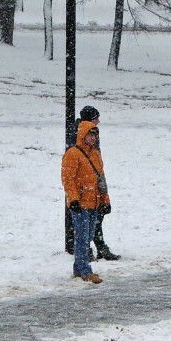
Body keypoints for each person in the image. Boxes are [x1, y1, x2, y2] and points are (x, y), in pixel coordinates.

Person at [60, 119, 108, 284]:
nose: (93, 138)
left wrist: (105, 200)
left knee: (86, 237)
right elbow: (68, 179)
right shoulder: (73, 154)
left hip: (93, 202)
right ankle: (85, 271)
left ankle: (79, 268)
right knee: (82, 237)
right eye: (90, 134)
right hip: (80, 203)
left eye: (95, 135)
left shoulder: (95, 154)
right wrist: (73, 199)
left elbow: (100, 179)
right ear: (83, 135)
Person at [75, 105, 121, 260]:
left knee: (92, 221)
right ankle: (93, 249)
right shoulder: (86, 140)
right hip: (87, 188)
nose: (99, 121)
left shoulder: (84, 136)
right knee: (91, 221)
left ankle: (92, 248)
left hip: (89, 186)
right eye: (96, 118)